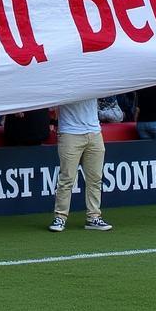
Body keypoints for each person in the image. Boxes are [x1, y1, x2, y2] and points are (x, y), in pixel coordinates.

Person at [49, 98, 112, 232]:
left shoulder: (92, 78)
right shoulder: (64, 81)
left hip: (94, 131)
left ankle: (93, 217)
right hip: (70, 132)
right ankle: (60, 217)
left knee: (95, 179)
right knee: (67, 179)